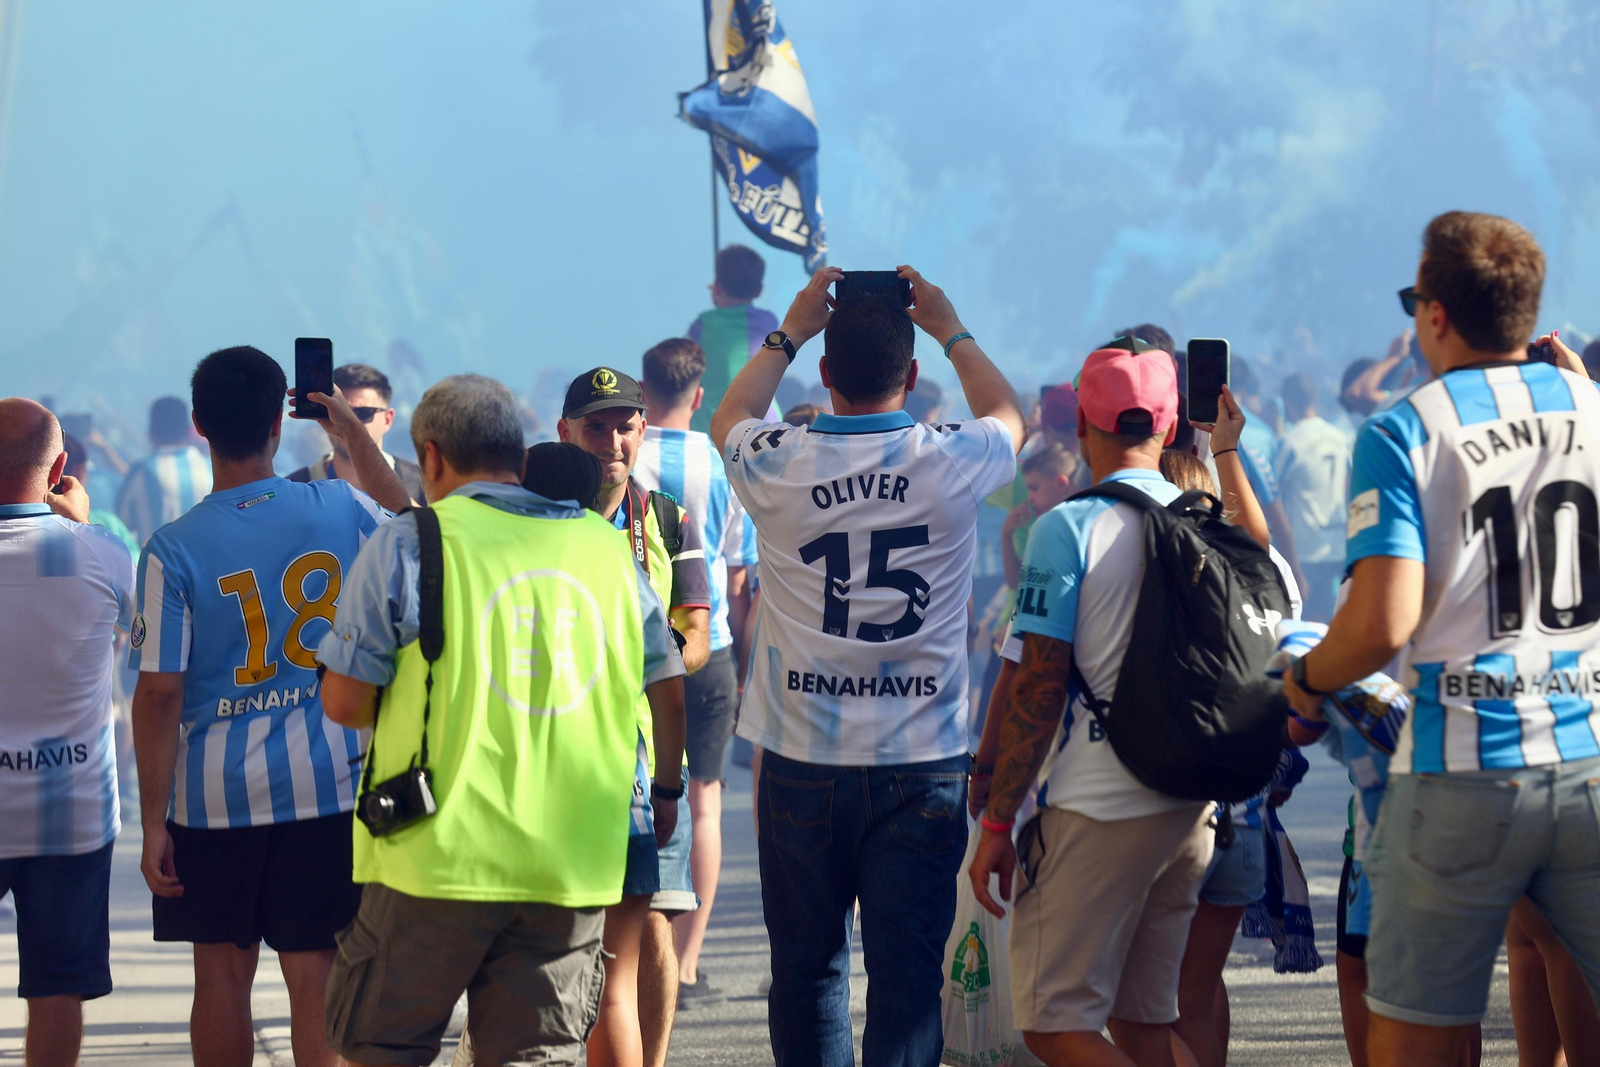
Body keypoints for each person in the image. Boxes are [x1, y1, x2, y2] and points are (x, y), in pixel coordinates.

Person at [1282, 211, 1600, 1067]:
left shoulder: (1404, 429)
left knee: (1414, 1035)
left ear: (1433, 314)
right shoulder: (1592, 409)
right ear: (1529, 316)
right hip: (1588, 755)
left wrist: (1307, 678)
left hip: (1462, 765)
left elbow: (1380, 624)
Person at [317, 374, 687, 1067]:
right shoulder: (604, 548)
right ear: (518, 458)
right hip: (570, 858)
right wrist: (665, 791)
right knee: (533, 1055)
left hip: (437, 854)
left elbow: (344, 702)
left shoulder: (411, 542)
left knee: (381, 1045)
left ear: (429, 458)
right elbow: (667, 686)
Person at [711, 264, 1026, 1065]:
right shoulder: (952, 460)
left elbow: (733, 412)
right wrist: (951, 324)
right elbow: (1007, 414)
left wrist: (788, 327)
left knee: (808, 971)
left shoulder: (777, 461)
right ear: (913, 376)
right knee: (907, 978)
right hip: (919, 764)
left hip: (800, 758)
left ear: (823, 373)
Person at [129, 347, 408, 1067]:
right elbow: (416, 520)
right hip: (328, 784)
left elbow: (159, 693)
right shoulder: (341, 507)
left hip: (213, 800)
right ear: (280, 425)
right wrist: (351, 436)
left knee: (220, 972)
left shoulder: (172, 548)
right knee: (315, 972)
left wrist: (153, 819)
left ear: (198, 424)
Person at [969, 336, 1213, 1067]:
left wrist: (996, 820)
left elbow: (1039, 688)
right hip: (1194, 805)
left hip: (1102, 803)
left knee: (1052, 1023)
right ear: (1170, 429)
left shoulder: (1066, 526)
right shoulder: (1212, 520)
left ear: (1081, 428)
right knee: (1143, 1024)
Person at [557, 366, 711, 1067]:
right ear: (565, 433)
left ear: (643, 429)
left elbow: (699, 636)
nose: (612, 441)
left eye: (624, 425)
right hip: (558, 758)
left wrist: (645, 657)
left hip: (651, 760)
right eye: (596, 426)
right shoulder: (541, 512)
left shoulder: (667, 517)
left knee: (651, 924)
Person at [0, 399, 133, 1067]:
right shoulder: (102, 553)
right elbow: (147, 646)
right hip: (73, 812)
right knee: (57, 990)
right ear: (59, 469)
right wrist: (82, 526)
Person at [633, 338, 760, 1012]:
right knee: (704, 799)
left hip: (635, 648)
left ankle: (635, 944)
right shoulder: (720, 461)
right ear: (700, 394)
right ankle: (685, 962)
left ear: (643, 389)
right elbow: (737, 575)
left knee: (639, 789)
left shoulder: (626, 455)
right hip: (707, 642)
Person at [287, 363, 425, 504]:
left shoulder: (422, 483)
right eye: (339, 411)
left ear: (387, 420)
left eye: (363, 413)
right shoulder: (295, 488)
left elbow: (438, 526)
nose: (346, 421)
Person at [1274, 372, 1351, 621]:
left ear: (1287, 403)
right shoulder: (1341, 439)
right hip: (1338, 545)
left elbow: (1274, 493)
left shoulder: (1291, 442)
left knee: (1301, 621)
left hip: (1305, 549)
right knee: (1330, 620)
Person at [688, 244, 780, 435]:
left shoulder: (702, 325)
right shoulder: (770, 322)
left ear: (718, 287)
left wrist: (718, 303)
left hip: (715, 429)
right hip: (767, 427)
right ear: (759, 290)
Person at [115, 395, 212, 546]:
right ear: (188, 431)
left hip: (156, 568)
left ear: (151, 433)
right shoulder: (212, 468)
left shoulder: (142, 472)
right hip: (212, 567)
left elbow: (121, 524)